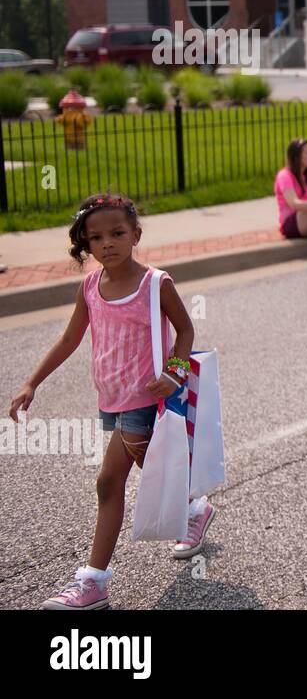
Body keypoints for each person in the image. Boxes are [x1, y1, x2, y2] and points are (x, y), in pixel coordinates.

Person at [9, 193, 211, 610]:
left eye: (117, 233)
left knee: (108, 481)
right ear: (86, 244)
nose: (107, 244)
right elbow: (69, 339)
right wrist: (32, 382)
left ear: (135, 235)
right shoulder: (90, 287)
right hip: (112, 398)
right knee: (151, 467)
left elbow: (185, 330)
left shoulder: (156, 283)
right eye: (96, 238)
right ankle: (194, 508)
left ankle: (93, 581)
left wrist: (174, 372)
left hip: (143, 398)